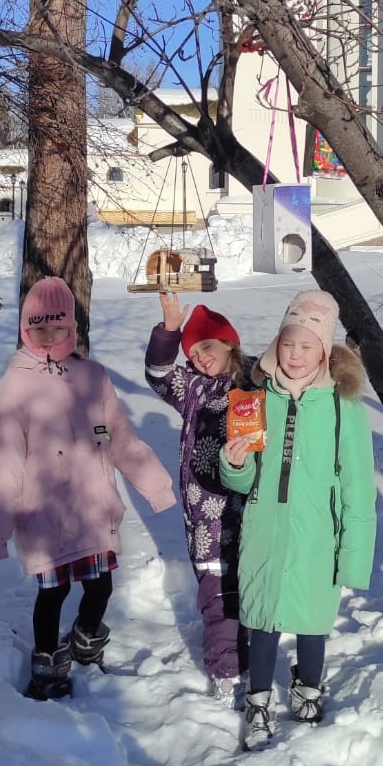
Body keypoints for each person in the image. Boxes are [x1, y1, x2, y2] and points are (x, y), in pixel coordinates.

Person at [0, 276, 176, 701]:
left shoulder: (93, 377)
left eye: (57, 329)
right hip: (44, 515)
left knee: (100, 586)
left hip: (93, 511)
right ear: (26, 330)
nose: (49, 338)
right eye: (39, 330)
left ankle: (86, 640)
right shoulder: (15, 386)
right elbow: (5, 459)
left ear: (71, 328)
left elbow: (121, 438)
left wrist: (156, 487)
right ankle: (47, 663)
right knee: (53, 593)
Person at [219, 289, 375, 751]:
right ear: (276, 344)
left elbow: (357, 486)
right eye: (288, 344)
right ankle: (259, 700)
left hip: (316, 536)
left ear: (324, 350)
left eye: (307, 346)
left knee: (311, 621)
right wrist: (235, 463)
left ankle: (309, 686)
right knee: (263, 620)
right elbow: (245, 482)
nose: (295, 355)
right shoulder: (253, 399)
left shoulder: (342, 407)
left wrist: (353, 556)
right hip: (266, 530)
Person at [144, 293, 253, 701]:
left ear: (229, 343)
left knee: (253, 591)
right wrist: (170, 331)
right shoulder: (191, 387)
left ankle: (256, 664)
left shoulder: (256, 382)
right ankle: (226, 671)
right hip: (205, 518)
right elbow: (157, 372)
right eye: (194, 353)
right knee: (216, 593)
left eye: (207, 347)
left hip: (251, 511)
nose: (201, 359)